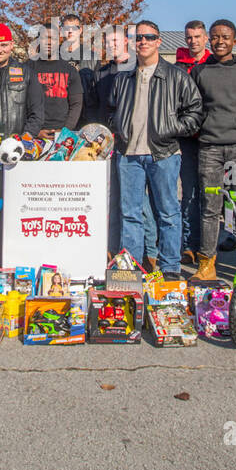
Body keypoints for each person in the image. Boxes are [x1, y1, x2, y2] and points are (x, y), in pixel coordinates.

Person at [109, 21, 204, 280]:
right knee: (130, 214)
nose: (143, 42)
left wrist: (170, 129)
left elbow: (195, 111)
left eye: (149, 37)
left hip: (163, 154)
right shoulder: (123, 78)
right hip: (128, 155)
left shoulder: (175, 76)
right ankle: (130, 268)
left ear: (159, 41)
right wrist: (118, 128)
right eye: (139, 38)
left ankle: (170, 267)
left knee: (168, 212)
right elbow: (111, 111)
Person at [191, 19, 236, 281]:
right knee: (210, 208)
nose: (220, 41)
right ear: (210, 40)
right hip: (210, 148)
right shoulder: (200, 72)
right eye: (215, 37)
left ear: (234, 41)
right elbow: (193, 107)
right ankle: (207, 262)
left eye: (225, 37)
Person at [95, 28, 157, 260]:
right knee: (113, 200)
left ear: (126, 42)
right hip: (106, 143)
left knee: (138, 202)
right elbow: (101, 106)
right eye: (106, 41)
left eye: (115, 40)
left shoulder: (135, 68)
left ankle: (151, 253)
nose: (110, 44)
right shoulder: (100, 73)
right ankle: (114, 249)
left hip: (135, 143)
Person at [176, 20, 211, 263]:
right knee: (188, 193)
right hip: (187, 138)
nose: (193, 41)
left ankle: (210, 246)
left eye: (198, 36)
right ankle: (189, 243)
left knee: (212, 194)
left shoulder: (215, 62)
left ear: (205, 38)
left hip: (212, 138)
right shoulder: (178, 67)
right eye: (189, 37)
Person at [29, 19, 83, 133]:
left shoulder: (70, 70)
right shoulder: (27, 68)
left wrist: (65, 131)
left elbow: (76, 104)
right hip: (33, 132)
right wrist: (35, 131)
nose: (48, 42)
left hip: (62, 133)